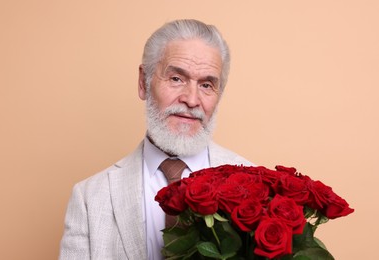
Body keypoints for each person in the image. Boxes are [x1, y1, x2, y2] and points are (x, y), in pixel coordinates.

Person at [59, 19, 253, 260]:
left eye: (206, 84)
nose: (192, 100)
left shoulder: (253, 182)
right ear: (143, 82)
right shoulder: (89, 198)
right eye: (176, 79)